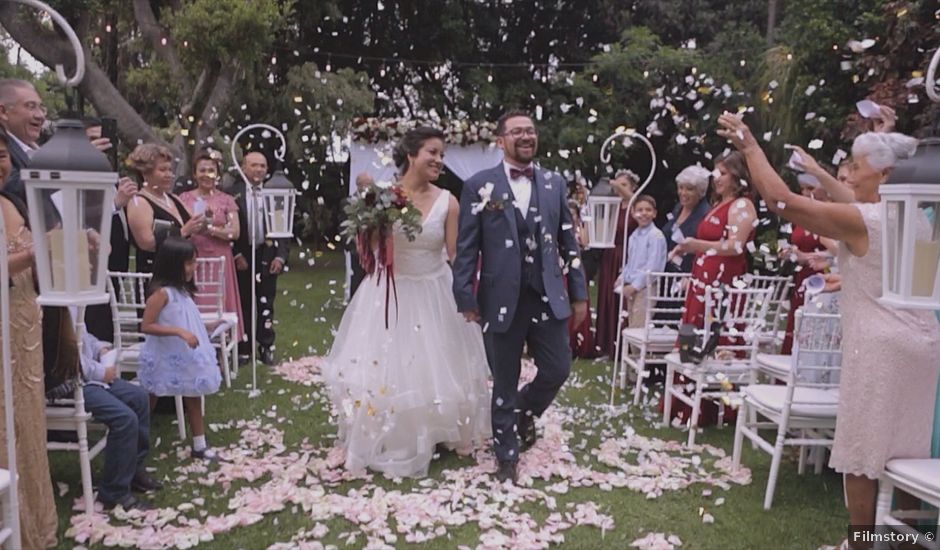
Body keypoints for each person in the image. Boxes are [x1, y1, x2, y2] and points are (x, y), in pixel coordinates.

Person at [717, 113, 940, 549]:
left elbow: (784, 202)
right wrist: (820, 173)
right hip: (922, 345)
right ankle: (906, 539)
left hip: (880, 349)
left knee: (861, 456)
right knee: (904, 454)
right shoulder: (916, 216)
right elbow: (853, 200)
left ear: (885, 174)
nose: (849, 173)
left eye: (856, 166)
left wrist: (750, 149)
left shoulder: (867, 222)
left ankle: (860, 543)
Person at [323, 127, 490, 478]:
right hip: (389, 292)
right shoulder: (383, 197)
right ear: (412, 154)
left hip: (434, 290)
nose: (439, 160)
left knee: (437, 363)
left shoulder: (449, 201)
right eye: (433, 152)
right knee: (388, 364)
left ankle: (439, 430)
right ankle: (391, 432)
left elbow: (455, 252)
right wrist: (367, 214)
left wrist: (469, 293)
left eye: (442, 154)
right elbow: (367, 249)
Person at [454, 110, 588, 484]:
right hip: (500, 298)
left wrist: (579, 293)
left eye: (530, 131)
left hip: (547, 294)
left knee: (558, 367)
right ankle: (506, 457)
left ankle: (523, 412)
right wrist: (465, 294)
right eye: (517, 132)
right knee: (504, 379)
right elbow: (467, 246)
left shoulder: (553, 183)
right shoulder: (478, 185)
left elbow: (568, 240)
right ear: (501, 141)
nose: (526, 136)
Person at [663, 151, 757, 427]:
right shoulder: (720, 203)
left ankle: (715, 408)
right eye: (715, 172)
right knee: (692, 334)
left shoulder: (742, 206)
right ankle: (684, 403)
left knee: (715, 336)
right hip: (702, 280)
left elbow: (735, 246)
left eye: (723, 173)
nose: (716, 178)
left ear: (738, 177)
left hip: (723, 283)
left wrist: (696, 246)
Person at [0, 128, 57, 548]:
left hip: (25, 324)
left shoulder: (14, 202)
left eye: (3, 155)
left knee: (27, 421)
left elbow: (38, 270)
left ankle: (35, 526)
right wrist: (30, 254)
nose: (1, 162)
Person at [139, 237, 222, 460]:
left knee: (193, 395)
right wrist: (179, 332)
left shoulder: (182, 292)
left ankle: (199, 444)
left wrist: (206, 326)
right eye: (189, 263)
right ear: (173, 264)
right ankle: (137, 440)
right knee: (152, 396)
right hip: (165, 354)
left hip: (186, 353)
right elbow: (147, 325)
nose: (194, 267)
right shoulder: (161, 294)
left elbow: (185, 319)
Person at [78, 327, 161, 511]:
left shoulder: (73, 302)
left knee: (139, 397)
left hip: (91, 378)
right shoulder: (53, 309)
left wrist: (100, 348)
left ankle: (133, 470)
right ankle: (114, 492)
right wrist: (101, 372)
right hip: (72, 384)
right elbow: (67, 358)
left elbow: (84, 337)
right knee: (124, 418)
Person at [223, 151, 290, 365]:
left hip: (267, 253)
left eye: (262, 166)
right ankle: (244, 347)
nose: (259, 170)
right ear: (244, 167)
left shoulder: (275, 191)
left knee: (266, 302)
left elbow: (284, 226)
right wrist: (237, 254)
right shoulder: (232, 193)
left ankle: (266, 345)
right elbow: (226, 226)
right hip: (243, 253)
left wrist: (280, 256)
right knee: (243, 301)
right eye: (254, 165)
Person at [180, 150, 244, 341]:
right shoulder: (184, 198)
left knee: (219, 303)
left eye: (211, 170)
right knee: (195, 301)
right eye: (202, 170)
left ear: (217, 174)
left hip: (219, 258)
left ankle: (221, 347)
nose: (207, 174)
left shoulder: (226, 200)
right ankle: (194, 341)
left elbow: (235, 231)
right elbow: (180, 227)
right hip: (193, 257)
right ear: (194, 174)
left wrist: (211, 229)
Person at [778, 175, 837, 354]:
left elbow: (841, 251)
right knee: (796, 321)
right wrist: (788, 253)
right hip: (802, 277)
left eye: (810, 189)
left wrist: (807, 256)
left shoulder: (834, 213)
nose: (805, 193)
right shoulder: (803, 215)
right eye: (802, 189)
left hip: (825, 277)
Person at [126, 143, 206, 274]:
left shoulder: (174, 198)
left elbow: (196, 225)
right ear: (145, 173)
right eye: (162, 170)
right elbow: (146, 243)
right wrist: (182, 232)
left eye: (170, 170)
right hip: (156, 272)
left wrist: (205, 219)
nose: (169, 174)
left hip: (181, 270)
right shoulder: (139, 202)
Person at [594, 170, 639, 358]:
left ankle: (622, 346)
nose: (619, 189)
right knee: (607, 297)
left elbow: (635, 203)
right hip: (610, 254)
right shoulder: (613, 206)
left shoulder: (636, 207)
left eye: (625, 185)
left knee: (622, 302)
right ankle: (606, 345)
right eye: (619, 185)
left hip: (627, 255)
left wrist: (617, 186)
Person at [618, 195, 667, 329]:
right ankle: (631, 351)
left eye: (648, 210)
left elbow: (654, 266)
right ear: (633, 212)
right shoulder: (634, 236)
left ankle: (638, 351)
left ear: (654, 213)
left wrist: (635, 286)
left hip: (646, 287)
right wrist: (622, 277)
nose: (644, 213)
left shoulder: (655, 236)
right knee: (631, 323)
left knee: (638, 327)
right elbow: (631, 262)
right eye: (640, 210)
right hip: (632, 286)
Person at [0, 78, 45, 202]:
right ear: (3, 112)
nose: (40, 115)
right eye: (31, 107)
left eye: (41, 108)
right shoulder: (4, 148)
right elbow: (13, 189)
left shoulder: (34, 149)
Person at [661, 165, 712, 273]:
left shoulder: (707, 214)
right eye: (681, 187)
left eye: (689, 189)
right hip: (666, 272)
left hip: (687, 275)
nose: (683, 193)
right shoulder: (677, 208)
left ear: (700, 192)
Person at [566, 198, 594, 358]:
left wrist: (580, 225)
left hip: (580, 269)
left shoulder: (579, 230)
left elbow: (585, 242)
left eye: (573, 214)